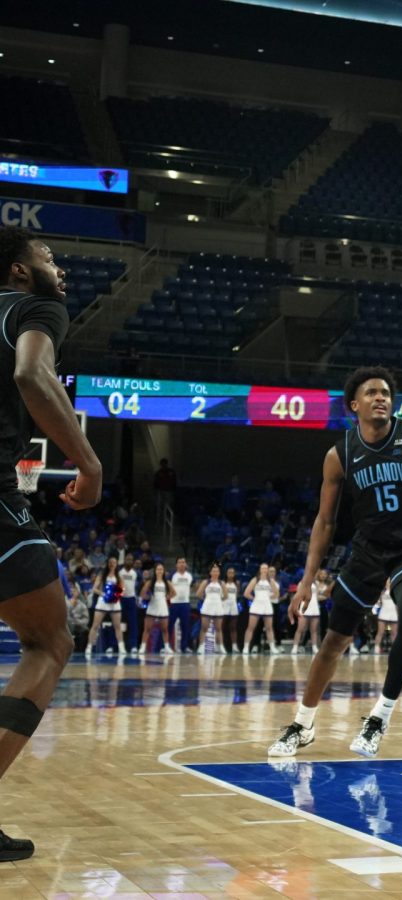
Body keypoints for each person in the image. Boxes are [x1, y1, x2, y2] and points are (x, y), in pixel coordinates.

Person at [268, 367, 402, 759]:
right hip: (368, 552)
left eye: (385, 392)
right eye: (372, 393)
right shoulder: (340, 455)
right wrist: (306, 579)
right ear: (355, 405)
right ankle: (303, 724)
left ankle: (379, 716)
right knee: (334, 640)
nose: (381, 397)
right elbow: (325, 522)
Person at [0, 226, 102, 858]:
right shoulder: (34, 308)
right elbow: (33, 376)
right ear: (17, 271)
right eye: (47, 258)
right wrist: (88, 464)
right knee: (50, 641)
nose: (58, 269)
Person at [84, 556, 125, 659]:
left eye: (114, 562)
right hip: (102, 602)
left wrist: (116, 596)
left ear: (116, 564)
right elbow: (94, 589)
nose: (112, 564)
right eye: (110, 562)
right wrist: (104, 594)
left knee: (117, 626)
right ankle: (89, 647)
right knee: (95, 625)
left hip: (114, 603)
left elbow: (122, 590)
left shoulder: (119, 576)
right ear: (108, 564)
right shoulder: (102, 575)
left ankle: (121, 647)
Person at [242, 563, 279, 655]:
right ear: (260, 569)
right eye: (263, 568)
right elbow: (246, 593)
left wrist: (268, 598)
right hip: (256, 606)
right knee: (250, 627)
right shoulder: (255, 580)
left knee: (269, 628)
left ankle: (272, 648)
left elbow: (276, 594)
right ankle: (246, 647)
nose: (264, 570)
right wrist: (255, 599)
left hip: (267, 606)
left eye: (266, 568)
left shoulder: (271, 581)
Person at [139, 562, 173, 655]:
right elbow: (142, 593)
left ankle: (166, 647)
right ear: (155, 571)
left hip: (163, 606)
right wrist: (147, 597)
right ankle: (142, 647)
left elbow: (173, 593)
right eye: (158, 569)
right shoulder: (150, 582)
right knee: (147, 629)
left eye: (161, 569)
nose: (159, 571)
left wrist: (165, 598)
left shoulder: (167, 582)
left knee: (165, 629)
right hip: (152, 606)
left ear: (164, 571)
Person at [292, 568, 325, 654]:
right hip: (304, 609)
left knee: (314, 630)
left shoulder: (316, 584)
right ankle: (295, 647)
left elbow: (316, 597)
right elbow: (298, 596)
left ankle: (314, 647)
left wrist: (326, 597)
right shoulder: (301, 583)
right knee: (300, 629)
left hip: (314, 609)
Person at [196, 564, 226, 655]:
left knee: (219, 629)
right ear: (210, 572)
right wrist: (206, 599)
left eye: (217, 571)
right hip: (207, 607)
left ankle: (220, 646)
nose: (215, 572)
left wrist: (218, 600)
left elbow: (226, 596)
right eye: (213, 571)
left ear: (219, 573)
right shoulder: (206, 582)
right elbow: (198, 594)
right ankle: (201, 646)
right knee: (204, 627)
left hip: (218, 607)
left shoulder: (222, 583)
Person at [168, 557, 193, 653]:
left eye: (183, 562)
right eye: (180, 562)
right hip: (174, 603)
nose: (182, 564)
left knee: (185, 626)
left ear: (186, 564)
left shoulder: (189, 576)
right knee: (170, 625)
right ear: (176, 565)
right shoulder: (172, 575)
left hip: (185, 604)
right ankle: (166, 646)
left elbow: (193, 586)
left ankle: (184, 646)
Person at [117, 557, 140, 654]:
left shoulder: (135, 573)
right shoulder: (120, 573)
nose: (129, 561)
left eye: (131, 560)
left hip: (131, 599)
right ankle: (118, 645)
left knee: (133, 623)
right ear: (124, 561)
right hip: (121, 599)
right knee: (119, 623)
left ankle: (133, 646)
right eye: (127, 560)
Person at [372, 582, 398, 655]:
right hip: (383, 614)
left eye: (390, 583)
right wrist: (377, 605)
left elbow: (397, 604)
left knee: (394, 633)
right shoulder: (382, 592)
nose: (388, 584)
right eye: (387, 583)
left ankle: (395, 649)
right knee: (380, 632)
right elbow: (378, 603)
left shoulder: (396, 592)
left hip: (393, 614)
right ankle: (376, 648)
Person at [221, 566, 240, 653]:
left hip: (233, 606)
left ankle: (234, 646)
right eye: (229, 572)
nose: (231, 574)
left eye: (232, 572)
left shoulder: (237, 583)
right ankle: (220, 645)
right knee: (221, 627)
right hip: (224, 605)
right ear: (226, 573)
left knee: (233, 627)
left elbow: (236, 596)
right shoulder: (222, 583)